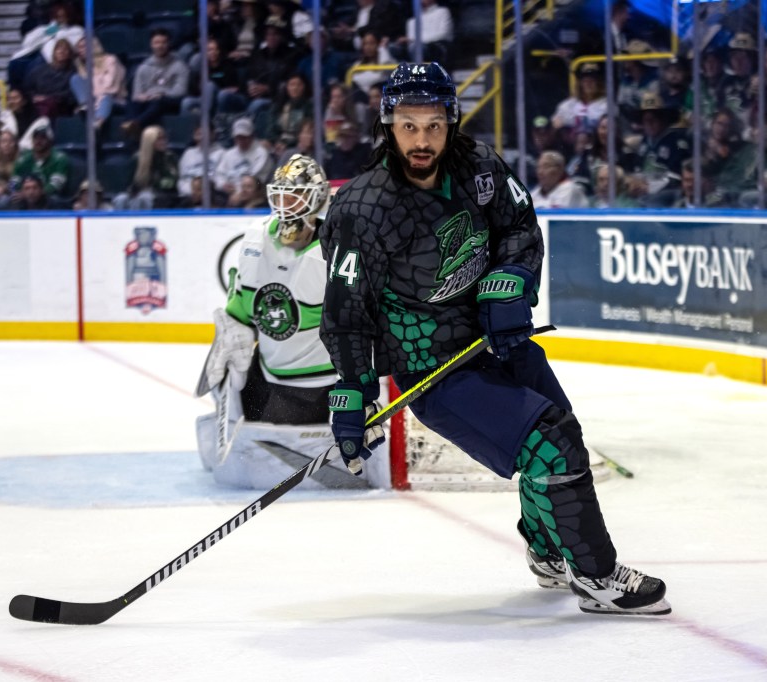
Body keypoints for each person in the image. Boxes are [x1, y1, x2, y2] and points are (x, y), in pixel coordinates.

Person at [318, 62, 670, 616]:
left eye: (434, 125)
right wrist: (352, 391)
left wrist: (509, 285)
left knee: (561, 439)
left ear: (451, 121)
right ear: (388, 125)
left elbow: (519, 228)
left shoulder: (480, 166)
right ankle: (598, 579)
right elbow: (346, 311)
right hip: (435, 368)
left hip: (497, 340)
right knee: (551, 442)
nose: (422, 140)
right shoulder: (361, 209)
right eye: (409, 126)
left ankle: (551, 552)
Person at [195, 154, 385, 489]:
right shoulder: (255, 240)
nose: (286, 204)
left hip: (320, 387)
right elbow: (240, 307)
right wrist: (232, 330)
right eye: (279, 195)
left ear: (317, 198)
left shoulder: (338, 250)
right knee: (231, 384)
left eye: (295, 195)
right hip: (270, 374)